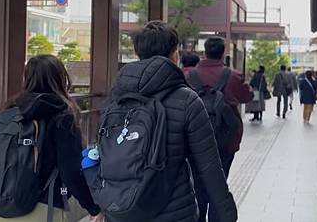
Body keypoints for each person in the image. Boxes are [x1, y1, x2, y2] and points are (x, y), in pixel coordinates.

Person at [108, 22, 237, 221]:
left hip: (123, 207)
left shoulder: (116, 96)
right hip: (174, 210)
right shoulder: (187, 100)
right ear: (173, 53)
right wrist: (226, 211)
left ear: (137, 52)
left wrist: (98, 206)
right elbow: (208, 165)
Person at [0, 55, 104, 222]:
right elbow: (71, 171)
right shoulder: (61, 117)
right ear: (60, 78)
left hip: (3, 210)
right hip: (44, 208)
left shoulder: (9, 113)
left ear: (26, 78)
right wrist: (93, 208)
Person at [187, 36, 252, 222]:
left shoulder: (189, 77)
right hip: (226, 141)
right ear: (223, 52)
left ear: (204, 51)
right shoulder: (232, 76)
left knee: (197, 184)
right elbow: (247, 96)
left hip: (195, 141)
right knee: (220, 183)